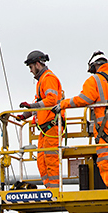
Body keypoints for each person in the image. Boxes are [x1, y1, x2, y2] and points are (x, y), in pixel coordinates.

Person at [54, 51, 108, 188]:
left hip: (105, 125)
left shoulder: (94, 80)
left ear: (94, 67)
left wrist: (63, 104)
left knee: (105, 156)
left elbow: (85, 99)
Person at [16, 50, 64, 189]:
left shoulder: (48, 78)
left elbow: (51, 100)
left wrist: (31, 106)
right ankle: (50, 189)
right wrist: (25, 115)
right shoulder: (42, 81)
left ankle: (54, 191)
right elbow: (40, 102)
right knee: (42, 161)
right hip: (45, 129)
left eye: (31, 67)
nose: (30, 71)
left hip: (52, 127)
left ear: (37, 64)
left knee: (51, 161)